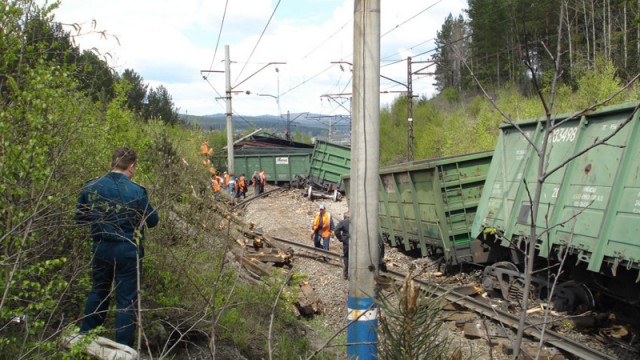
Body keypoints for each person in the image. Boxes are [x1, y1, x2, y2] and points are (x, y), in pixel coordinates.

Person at [75, 147, 159, 347]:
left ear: (111, 163)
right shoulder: (137, 191)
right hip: (127, 250)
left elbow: (80, 218)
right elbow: (153, 220)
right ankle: (123, 347)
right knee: (126, 300)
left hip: (101, 247)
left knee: (98, 290)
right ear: (131, 166)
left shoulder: (91, 186)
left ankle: (85, 338)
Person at [334, 211, 350, 280]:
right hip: (356, 243)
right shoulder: (356, 221)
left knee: (346, 257)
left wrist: (341, 238)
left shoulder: (343, 222)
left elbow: (336, 230)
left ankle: (346, 275)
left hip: (346, 242)